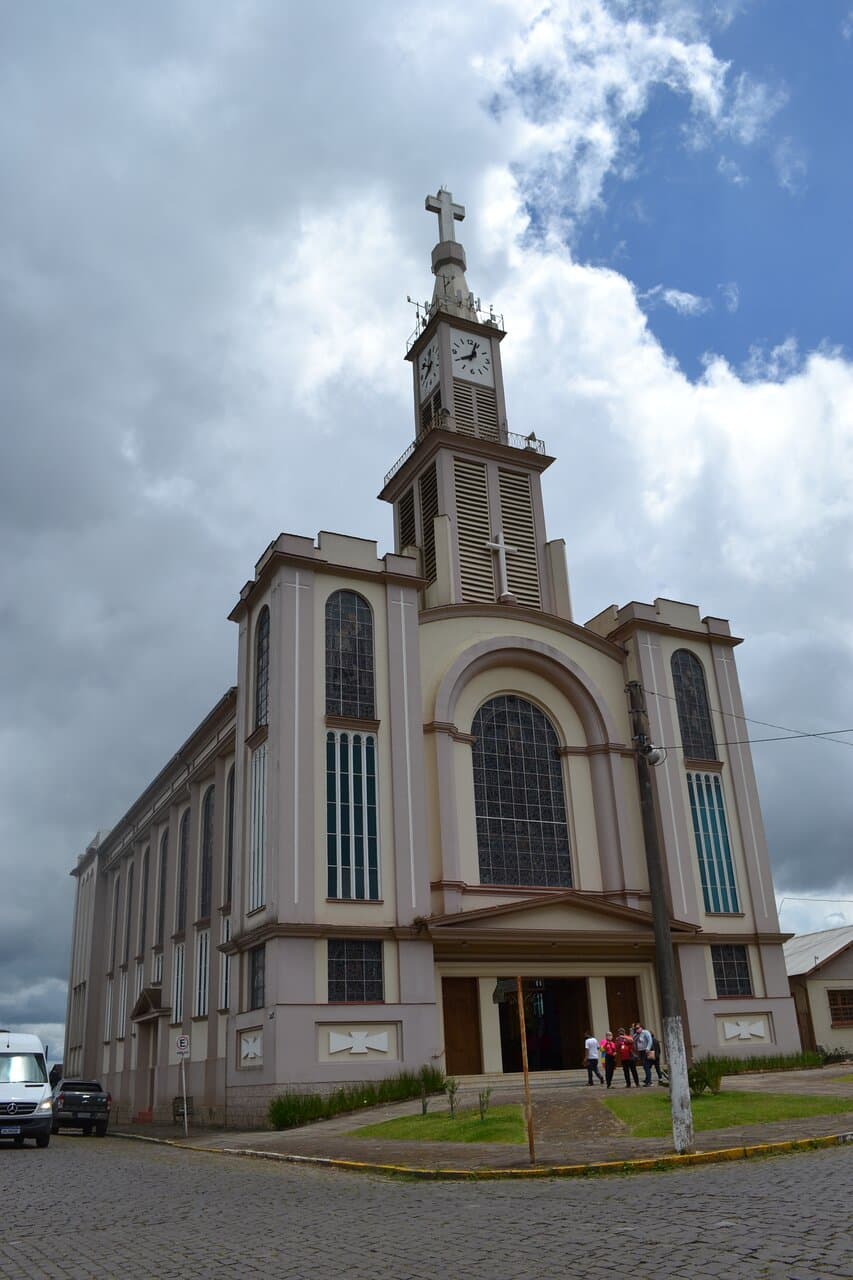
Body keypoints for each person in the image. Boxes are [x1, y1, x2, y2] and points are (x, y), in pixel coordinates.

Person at [633, 1021, 654, 1086]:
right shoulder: (636, 1035)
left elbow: (650, 1040)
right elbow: (632, 1039)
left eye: (638, 1028)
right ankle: (647, 1080)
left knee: (646, 1066)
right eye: (635, 1028)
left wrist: (648, 1048)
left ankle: (649, 1081)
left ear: (641, 1027)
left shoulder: (645, 1032)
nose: (637, 1029)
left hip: (645, 1051)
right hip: (640, 1051)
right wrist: (632, 1030)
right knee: (645, 1066)